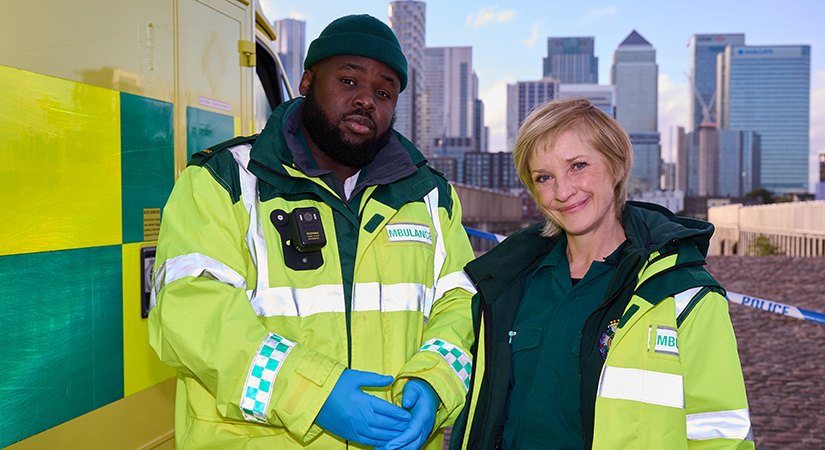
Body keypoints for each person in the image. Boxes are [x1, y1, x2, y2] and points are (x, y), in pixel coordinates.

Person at [149, 14, 476, 450]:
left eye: (383, 92)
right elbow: (189, 312)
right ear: (306, 81)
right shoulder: (226, 180)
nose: (366, 100)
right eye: (348, 80)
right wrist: (312, 393)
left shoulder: (431, 197)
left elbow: (464, 305)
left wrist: (434, 383)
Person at [450, 98, 754, 449]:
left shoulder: (683, 294)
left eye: (578, 165)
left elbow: (722, 434)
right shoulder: (505, 284)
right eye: (544, 177)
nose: (563, 192)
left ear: (617, 165)